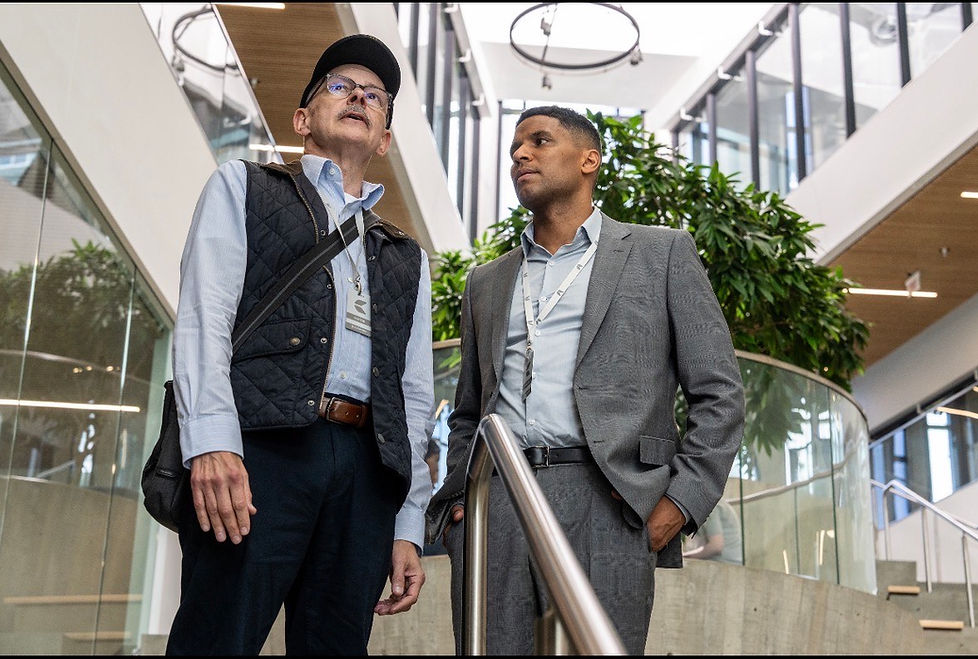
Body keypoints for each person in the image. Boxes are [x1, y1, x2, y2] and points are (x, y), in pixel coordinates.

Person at [424, 105, 745, 655]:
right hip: (497, 502)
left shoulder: (659, 253)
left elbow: (719, 393)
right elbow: (469, 414)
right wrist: (460, 503)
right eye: (514, 149)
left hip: (609, 500)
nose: (520, 155)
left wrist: (681, 503)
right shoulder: (486, 282)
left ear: (589, 159)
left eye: (539, 141)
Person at [166, 34, 433, 655]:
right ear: (302, 118)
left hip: (367, 469)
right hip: (259, 453)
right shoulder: (245, 187)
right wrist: (210, 443)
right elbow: (205, 317)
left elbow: (414, 393)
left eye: (375, 95)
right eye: (341, 86)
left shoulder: (407, 256)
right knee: (217, 638)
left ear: (385, 138)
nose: (360, 97)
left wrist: (407, 521)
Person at [682, 498, 743, 564]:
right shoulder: (710, 502)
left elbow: (716, 546)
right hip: (726, 564)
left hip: (725, 565)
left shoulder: (709, 505)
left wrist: (684, 556)